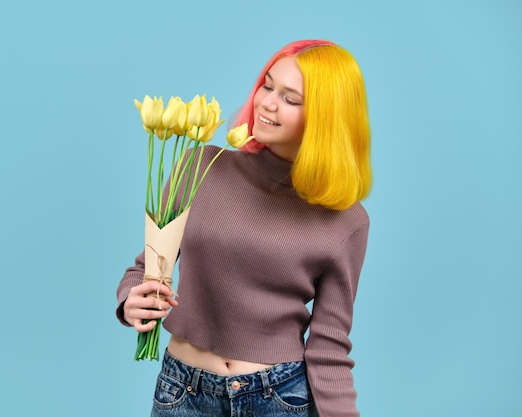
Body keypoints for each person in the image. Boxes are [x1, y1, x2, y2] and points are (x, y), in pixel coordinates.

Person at [116, 39, 372, 417]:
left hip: (278, 397)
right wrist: (131, 300)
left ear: (326, 116)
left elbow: (330, 346)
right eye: (268, 86)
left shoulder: (346, 221)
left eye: (291, 99)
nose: (267, 102)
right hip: (183, 392)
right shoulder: (199, 166)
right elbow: (147, 268)